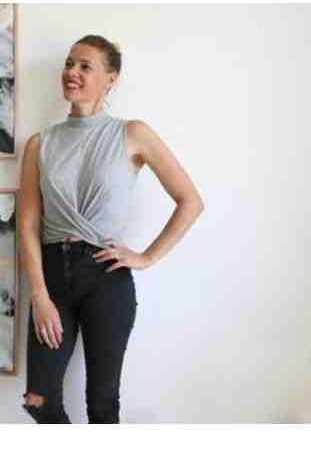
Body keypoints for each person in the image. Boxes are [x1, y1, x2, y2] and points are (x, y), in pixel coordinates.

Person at [17, 34, 204, 423]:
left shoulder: (132, 134)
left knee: (103, 404)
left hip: (106, 278)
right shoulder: (40, 144)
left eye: (85, 66)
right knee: (39, 399)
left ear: (111, 78)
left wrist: (147, 257)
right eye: (69, 63)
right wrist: (39, 295)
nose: (72, 72)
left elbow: (190, 201)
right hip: (51, 278)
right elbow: (28, 224)